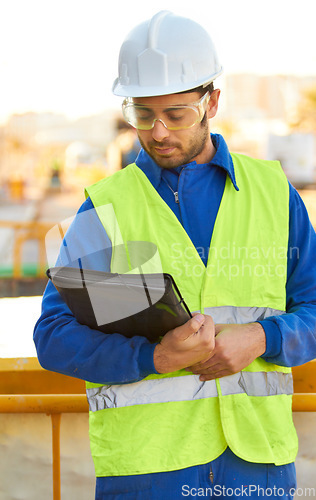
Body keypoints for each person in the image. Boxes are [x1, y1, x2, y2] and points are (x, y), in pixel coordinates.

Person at [34, 11, 316, 500]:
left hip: (257, 467)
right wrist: (154, 357)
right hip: (146, 473)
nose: (158, 132)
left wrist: (262, 336)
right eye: (143, 114)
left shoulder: (274, 192)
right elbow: (54, 337)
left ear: (213, 103)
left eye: (176, 115)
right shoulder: (106, 207)